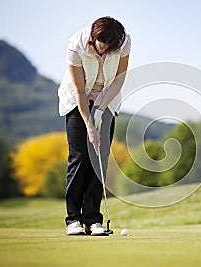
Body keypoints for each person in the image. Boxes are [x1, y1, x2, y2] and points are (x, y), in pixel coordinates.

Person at [58, 16, 131, 235]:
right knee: (80, 156)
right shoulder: (76, 45)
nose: (104, 53)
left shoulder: (124, 42)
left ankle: (93, 220)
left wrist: (100, 109)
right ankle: (73, 220)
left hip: (107, 99)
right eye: (101, 48)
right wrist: (89, 124)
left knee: (99, 158)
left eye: (109, 50)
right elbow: (80, 91)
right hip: (77, 100)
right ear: (93, 38)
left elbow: (119, 78)